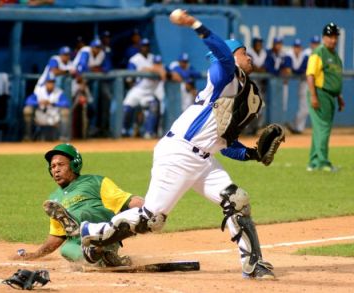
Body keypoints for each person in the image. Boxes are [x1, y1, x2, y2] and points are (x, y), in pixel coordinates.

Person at [68, 10, 275, 279]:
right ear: (233, 55)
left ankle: (253, 264)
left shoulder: (244, 94)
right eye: (244, 52)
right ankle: (91, 234)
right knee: (151, 220)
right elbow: (221, 55)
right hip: (178, 154)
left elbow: (225, 143)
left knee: (237, 200)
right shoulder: (225, 75)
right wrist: (196, 24)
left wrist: (252, 154)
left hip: (203, 161)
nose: (249, 56)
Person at [13, 143, 144, 265]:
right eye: (52, 167)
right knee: (66, 250)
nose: (56, 170)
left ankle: (80, 228)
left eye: (60, 165)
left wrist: (151, 208)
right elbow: (56, 237)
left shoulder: (95, 182)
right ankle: (102, 260)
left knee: (84, 213)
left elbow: (126, 200)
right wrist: (34, 254)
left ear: (74, 165)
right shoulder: (54, 200)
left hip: (104, 234)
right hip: (82, 243)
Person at [306, 23, 344, 172]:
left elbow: (335, 78)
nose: (333, 40)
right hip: (320, 93)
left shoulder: (335, 57)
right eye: (330, 36)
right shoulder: (319, 52)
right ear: (323, 37)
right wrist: (314, 96)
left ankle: (314, 162)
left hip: (330, 96)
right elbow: (310, 75)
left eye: (335, 37)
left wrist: (339, 97)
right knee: (323, 128)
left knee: (320, 129)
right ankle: (322, 162)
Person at [122, 39, 166, 138]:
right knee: (126, 108)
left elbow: (163, 70)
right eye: (143, 46)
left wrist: (157, 69)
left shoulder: (153, 58)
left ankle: (149, 132)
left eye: (147, 46)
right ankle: (123, 129)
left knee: (154, 106)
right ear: (140, 47)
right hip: (137, 89)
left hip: (149, 93)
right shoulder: (134, 59)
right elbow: (130, 78)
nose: (145, 48)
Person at [23, 74, 70, 141]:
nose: (51, 84)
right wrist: (39, 102)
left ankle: (63, 138)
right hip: (40, 115)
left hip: (54, 116)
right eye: (49, 82)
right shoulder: (39, 91)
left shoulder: (59, 92)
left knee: (65, 111)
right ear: (45, 83)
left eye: (52, 82)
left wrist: (52, 103)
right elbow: (28, 101)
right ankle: (27, 137)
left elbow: (66, 103)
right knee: (27, 110)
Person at [284, 38, 309, 134]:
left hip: (303, 82)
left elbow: (303, 69)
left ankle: (297, 127)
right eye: (295, 46)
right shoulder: (289, 55)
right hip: (286, 82)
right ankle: (296, 126)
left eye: (298, 47)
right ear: (293, 47)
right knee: (304, 108)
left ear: (301, 48)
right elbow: (288, 69)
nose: (297, 49)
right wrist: (297, 71)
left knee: (305, 109)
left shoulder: (304, 56)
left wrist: (295, 71)